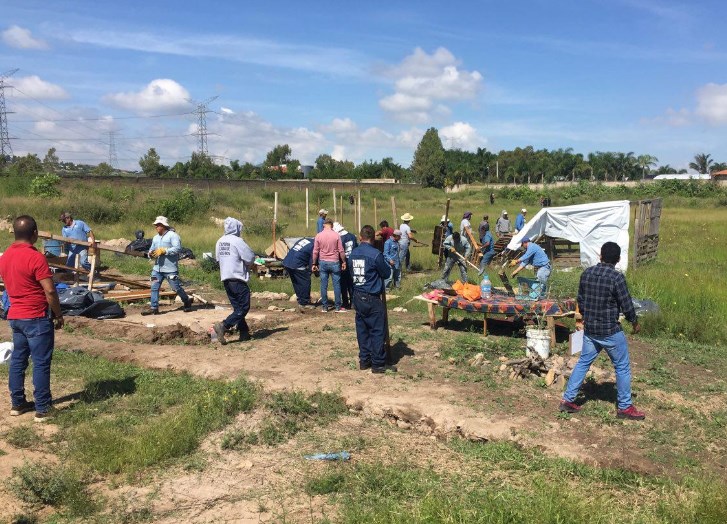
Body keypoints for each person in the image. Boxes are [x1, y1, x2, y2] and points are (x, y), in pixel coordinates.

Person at [560, 242, 644, 420]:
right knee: (622, 367)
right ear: (618, 259)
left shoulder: (587, 274)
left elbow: (581, 300)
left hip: (591, 330)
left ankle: (567, 400)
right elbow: (627, 304)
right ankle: (624, 407)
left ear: (600, 256)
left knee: (583, 362)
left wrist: (585, 318)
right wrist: (635, 323)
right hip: (610, 331)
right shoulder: (616, 278)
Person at [0, 215, 64, 421]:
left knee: (18, 360)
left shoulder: (5, 256)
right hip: (36, 316)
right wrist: (58, 313)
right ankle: (43, 408)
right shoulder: (36, 257)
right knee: (41, 362)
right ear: (35, 233)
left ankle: (17, 403)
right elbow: (50, 291)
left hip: (16, 316)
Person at [349, 225, 395, 374]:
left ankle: (364, 360)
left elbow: (351, 272)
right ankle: (378, 364)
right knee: (376, 330)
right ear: (373, 238)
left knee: (362, 330)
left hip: (357, 294)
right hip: (371, 296)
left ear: (361, 237)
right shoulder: (375, 254)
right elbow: (386, 273)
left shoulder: (353, 253)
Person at [212, 217, 256, 345]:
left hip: (226, 278)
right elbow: (250, 257)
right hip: (237, 278)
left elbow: (218, 259)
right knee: (244, 307)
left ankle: (244, 332)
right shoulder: (237, 241)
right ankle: (224, 326)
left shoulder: (220, 241)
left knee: (237, 307)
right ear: (237, 228)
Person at [141, 216, 193, 315]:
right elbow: (151, 250)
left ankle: (186, 301)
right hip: (157, 268)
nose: (156, 226)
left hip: (170, 269)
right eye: (155, 225)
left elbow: (177, 248)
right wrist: (150, 254)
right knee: (154, 287)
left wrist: (165, 250)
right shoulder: (155, 238)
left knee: (176, 287)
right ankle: (154, 307)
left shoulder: (173, 236)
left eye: (158, 225)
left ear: (163, 226)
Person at [312, 218, 347, 312]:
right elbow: (341, 250)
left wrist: (314, 263)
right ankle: (338, 307)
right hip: (334, 261)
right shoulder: (336, 235)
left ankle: (324, 307)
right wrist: (343, 261)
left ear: (323, 225)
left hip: (323, 261)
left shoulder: (318, 236)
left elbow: (315, 251)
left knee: (323, 285)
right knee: (336, 284)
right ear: (332, 225)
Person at [283, 237, 315, 309]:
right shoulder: (314, 246)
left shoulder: (304, 239)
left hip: (287, 262)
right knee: (305, 282)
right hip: (297, 264)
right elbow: (312, 261)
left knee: (296, 282)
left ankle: (300, 300)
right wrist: (311, 271)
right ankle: (304, 302)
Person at [334, 222, 358, 309]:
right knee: (351, 283)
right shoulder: (352, 236)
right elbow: (356, 248)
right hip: (352, 261)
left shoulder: (339, 238)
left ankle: (345, 302)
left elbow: (339, 251)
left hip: (343, 262)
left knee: (343, 283)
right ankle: (353, 302)